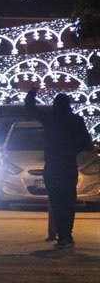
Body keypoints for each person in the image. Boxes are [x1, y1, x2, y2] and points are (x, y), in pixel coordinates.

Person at [25, 86, 92, 249]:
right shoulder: (76, 120)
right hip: (68, 165)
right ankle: (66, 234)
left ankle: (62, 234)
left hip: (53, 165)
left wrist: (33, 92)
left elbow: (30, 108)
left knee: (56, 201)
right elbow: (86, 141)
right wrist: (73, 150)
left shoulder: (50, 119)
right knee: (68, 201)